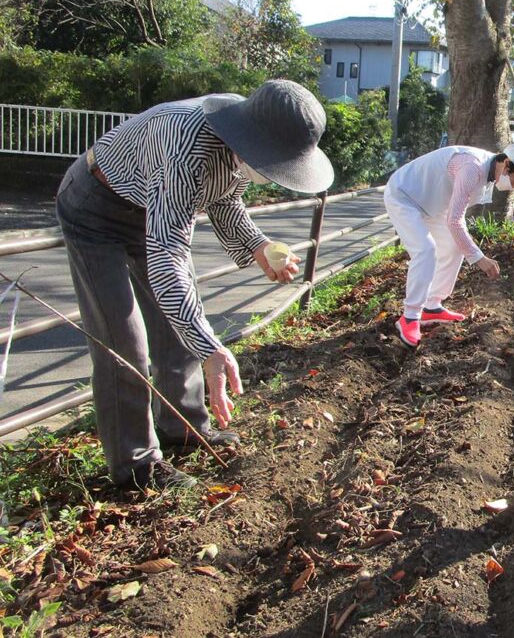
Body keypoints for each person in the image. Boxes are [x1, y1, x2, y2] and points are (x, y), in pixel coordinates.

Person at [56, 79, 335, 490]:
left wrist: (257, 245)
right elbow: (168, 255)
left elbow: (223, 198)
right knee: (124, 341)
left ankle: (183, 426)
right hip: (98, 209)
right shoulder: (187, 144)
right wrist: (212, 349)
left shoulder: (244, 135)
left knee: (178, 325)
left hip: (151, 208)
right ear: (254, 142)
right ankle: (136, 467)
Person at [383, 142, 514, 348]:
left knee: (455, 245)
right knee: (425, 250)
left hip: (432, 205)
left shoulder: (489, 173)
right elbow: (455, 221)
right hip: (404, 196)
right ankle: (410, 317)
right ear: (507, 165)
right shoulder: (472, 168)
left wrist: (471, 251)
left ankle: (431, 305)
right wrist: (479, 258)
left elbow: (455, 217)